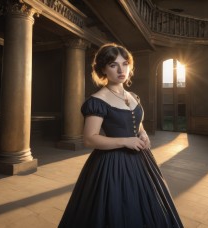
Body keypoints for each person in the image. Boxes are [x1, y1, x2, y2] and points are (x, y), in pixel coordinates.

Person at [59, 43, 183, 228]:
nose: (120, 69)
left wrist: (143, 133)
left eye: (125, 64)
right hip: (112, 164)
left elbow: (137, 123)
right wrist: (125, 141)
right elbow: (89, 138)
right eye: (113, 65)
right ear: (102, 69)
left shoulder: (133, 96)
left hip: (141, 160)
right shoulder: (98, 100)